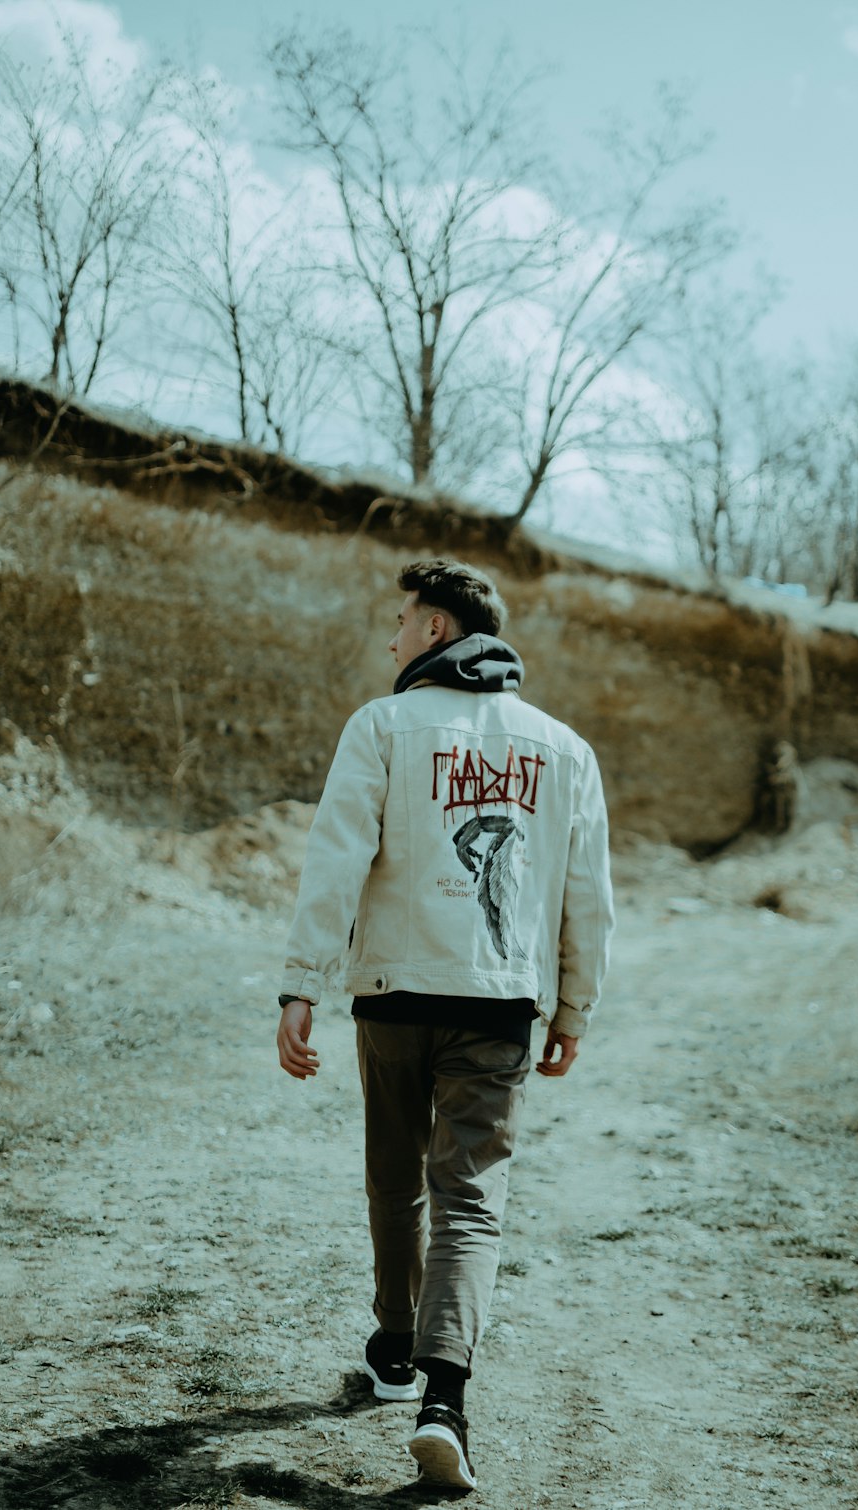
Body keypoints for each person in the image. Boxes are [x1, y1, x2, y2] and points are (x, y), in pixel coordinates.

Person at [276, 558, 613, 1491]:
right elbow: (588, 897)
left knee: (395, 1176)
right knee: (470, 1198)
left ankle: (392, 1346)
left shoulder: (382, 726)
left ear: (436, 630)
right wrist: (574, 1006)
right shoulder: (564, 748)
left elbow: (335, 861)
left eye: (400, 620)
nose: (389, 637)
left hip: (392, 993)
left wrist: (301, 983)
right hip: (500, 1001)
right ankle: (444, 1402)